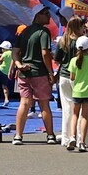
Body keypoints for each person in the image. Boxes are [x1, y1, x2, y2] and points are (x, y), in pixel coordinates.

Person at [13, 9, 57, 145]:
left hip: (24, 73)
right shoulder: (43, 32)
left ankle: (18, 136)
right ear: (38, 15)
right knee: (44, 104)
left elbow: (15, 51)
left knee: (24, 103)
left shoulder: (24, 31)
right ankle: (50, 135)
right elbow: (45, 53)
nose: (49, 16)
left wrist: (19, 65)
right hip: (40, 72)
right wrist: (51, 73)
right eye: (46, 14)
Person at [66, 34, 88, 151]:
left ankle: (72, 137)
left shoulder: (73, 60)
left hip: (77, 91)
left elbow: (72, 77)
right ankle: (81, 141)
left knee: (74, 115)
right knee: (84, 116)